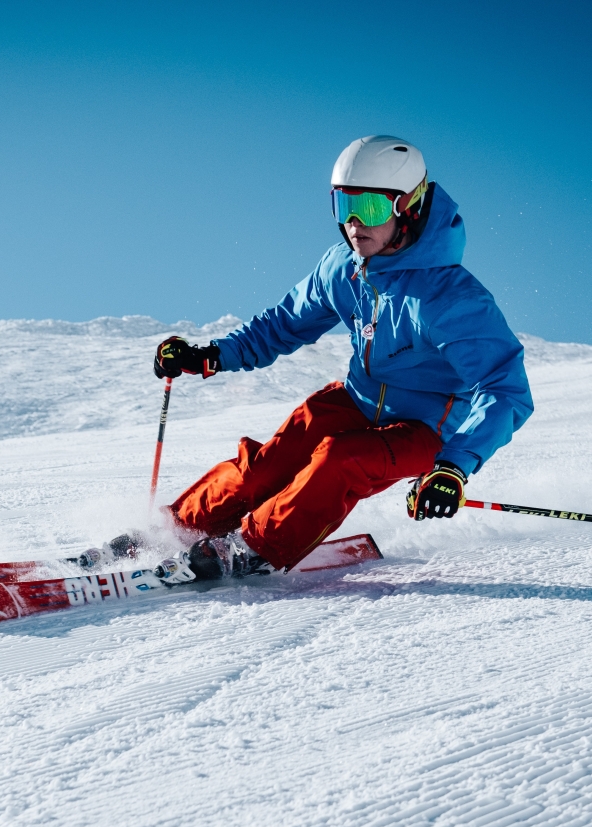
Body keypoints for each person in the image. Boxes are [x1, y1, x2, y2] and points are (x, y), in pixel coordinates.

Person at [153, 135, 533, 579]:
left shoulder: (449, 298)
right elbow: (282, 324)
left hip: (427, 430)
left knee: (341, 458)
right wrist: (210, 355)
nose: (353, 223)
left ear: (407, 206)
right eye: (342, 206)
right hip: (355, 399)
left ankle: (249, 549)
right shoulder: (343, 267)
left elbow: (505, 390)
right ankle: (170, 531)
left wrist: (454, 466)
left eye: (369, 208)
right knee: (265, 468)